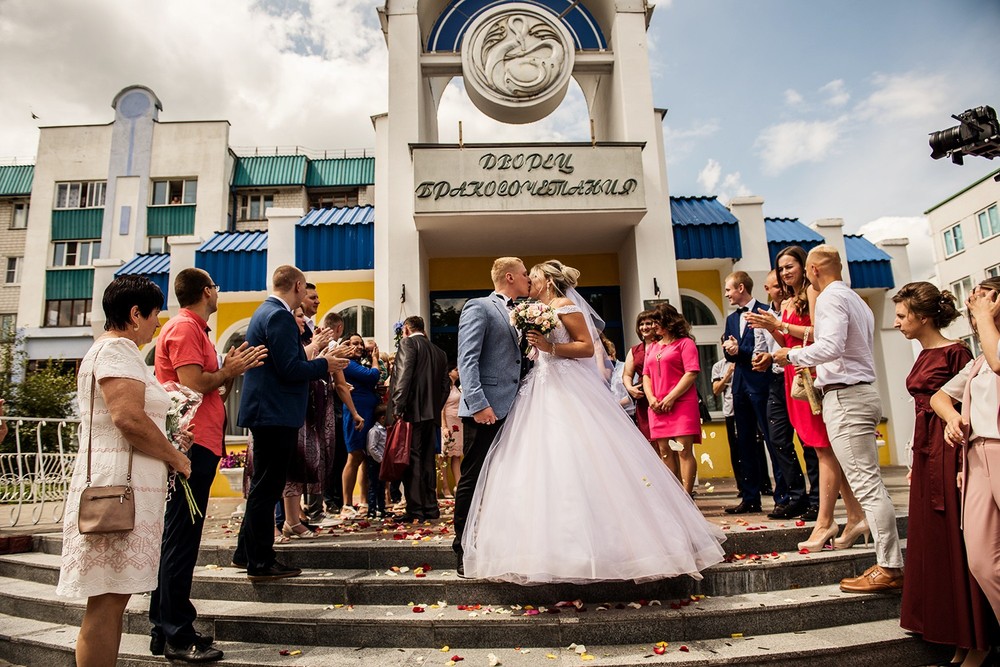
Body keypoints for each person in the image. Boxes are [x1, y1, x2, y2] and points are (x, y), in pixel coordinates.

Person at [461, 260, 725, 583]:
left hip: (566, 388)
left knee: (577, 457)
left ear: (547, 280)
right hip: (538, 390)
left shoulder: (563, 305)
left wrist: (550, 346)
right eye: (527, 274)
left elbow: (587, 347)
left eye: (536, 275)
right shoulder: (534, 308)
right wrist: (537, 350)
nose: (531, 278)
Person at [56, 275, 193, 667]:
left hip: (120, 489)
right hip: (117, 495)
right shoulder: (118, 349)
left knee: (111, 600)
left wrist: (169, 432)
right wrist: (176, 456)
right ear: (135, 314)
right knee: (106, 601)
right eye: (154, 316)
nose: (157, 324)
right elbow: (128, 419)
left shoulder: (111, 350)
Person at [149, 268, 266, 662]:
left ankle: (162, 624)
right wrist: (228, 370)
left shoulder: (198, 330)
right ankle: (176, 633)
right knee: (181, 537)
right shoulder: (184, 328)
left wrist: (230, 371)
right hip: (190, 443)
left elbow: (212, 386)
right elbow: (193, 383)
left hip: (203, 439)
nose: (218, 292)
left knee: (180, 535)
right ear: (204, 292)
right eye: (215, 287)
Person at [774, 245, 903, 593]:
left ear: (812, 269)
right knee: (868, 481)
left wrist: (790, 354)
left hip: (847, 398)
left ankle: (889, 567)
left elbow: (830, 346)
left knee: (866, 485)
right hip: (860, 391)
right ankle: (886, 561)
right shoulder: (856, 299)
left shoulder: (830, 298)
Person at [894, 282, 995, 667]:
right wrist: (912, 459)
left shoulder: (957, 352)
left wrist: (955, 464)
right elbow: (924, 406)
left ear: (923, 317)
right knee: (934, 544)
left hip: (949, 452)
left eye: (903, 315)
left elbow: (966, 405)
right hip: (925, 452)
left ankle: (977, 640)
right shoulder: (923, 354)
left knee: (959, 544)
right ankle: (954, 636)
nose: (898, 322)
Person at [233, 265, 350, 582]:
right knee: (267, 487)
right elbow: (290, 368)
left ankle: (246, 552)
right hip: (275, 411)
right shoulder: (280, 316)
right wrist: (326, 362)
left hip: (269, 409)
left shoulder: (265, 311)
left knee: (263, 486)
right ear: (298, 286)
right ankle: (261, 559)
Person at [452, 257, 531, 575]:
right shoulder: (480, 306)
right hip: (485, 409)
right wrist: (479, 402)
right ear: (509, 277)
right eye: (525, 274)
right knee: (472, 478)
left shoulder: (522, 311)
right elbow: (467, 359)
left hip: (517, 406)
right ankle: (461, 548)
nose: (528, 279)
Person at [933, 276, 1000, 624]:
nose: (977, 310)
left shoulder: (994, 354)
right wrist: (952, 418)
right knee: (981, 561)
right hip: (975, 458)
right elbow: (939, 396)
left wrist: (986, 318)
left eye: (987, 301)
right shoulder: (977, 363)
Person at [722, 271, 777, 514]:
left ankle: (783, 495)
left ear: (741, 288)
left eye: (728, 289)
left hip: (762, 383)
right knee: (743, 442)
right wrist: (730, 349)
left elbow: (761, 349)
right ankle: (750, 497)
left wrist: (739, 350)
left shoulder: (766, 312)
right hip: (740, 386)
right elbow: (728, 353)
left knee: (772, 438)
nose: (726, 294)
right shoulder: (731, 319)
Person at [390, 315, 450, 522]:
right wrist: (435, 408)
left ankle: (415, 510)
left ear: (406, 329)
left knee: (412, 460)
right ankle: (431, 508)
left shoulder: (408, 344)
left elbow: (403, 377)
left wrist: (398, 407)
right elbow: (445, 387)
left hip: (411, 412)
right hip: (431, 415)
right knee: (427, 460)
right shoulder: (440, 352)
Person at [642, 303, 700, 494]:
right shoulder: (652, 347)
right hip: (657, 405)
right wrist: (651, 398)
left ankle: (686, 495)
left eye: (657, 321)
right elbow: (646, 375)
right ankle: (673, 496)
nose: (653, 325)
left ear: (668, 321)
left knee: (683, 450)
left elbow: (691, 373)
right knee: (665, 451)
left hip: (681, 403)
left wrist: (671, 398)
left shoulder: (685, 343)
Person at [340, 333, 382, 519]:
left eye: (360, 344)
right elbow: (372, 376)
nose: (358, 346)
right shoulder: (347, 364)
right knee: (354, 455)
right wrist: (375, 359)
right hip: (355, 414)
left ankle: (364, 501)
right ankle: (347, 503)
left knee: (365, 456)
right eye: (354, 343)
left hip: (368, 412)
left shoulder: (356, 364)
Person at [622, 310, 659, 442]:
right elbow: (627, 374)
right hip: (643, 400)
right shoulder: (634, 350)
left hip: (661, 395)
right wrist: (630, 388)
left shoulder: (664, 345)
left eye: (648, 323)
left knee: (668, 444)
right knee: (649, 441)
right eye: (641, 324)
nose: (644, 327)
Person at [441, 363, 464, 496]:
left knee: (456, 455)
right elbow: (442, 408)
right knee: (444, 456)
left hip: (458, 422)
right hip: (448, 421)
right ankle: (445, 488)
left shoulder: (456, 387)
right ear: (449, 372)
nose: (458, 371)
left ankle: (459, 485)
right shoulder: (445, 388)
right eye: (456, 369)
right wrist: (444, 426)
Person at [365, 402, 388, 518]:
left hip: (381, 462)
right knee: (373, 485)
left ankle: (382, 508)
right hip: (375, 462)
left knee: (381, 486)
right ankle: (372, 509)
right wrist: (380, 459)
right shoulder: (375, 431)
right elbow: (372, 447)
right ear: (382, 417)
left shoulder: (385, 430)